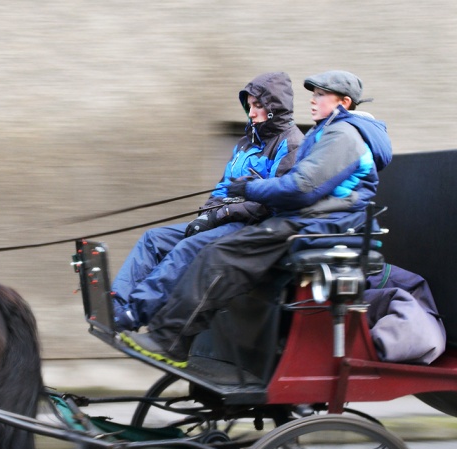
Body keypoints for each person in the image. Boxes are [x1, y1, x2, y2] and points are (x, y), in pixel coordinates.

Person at [124, 70, 393, 367]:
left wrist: (249, 188)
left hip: (329, 225)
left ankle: (170, 341)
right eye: (313, 94)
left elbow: (301, 188)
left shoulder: (344, 135)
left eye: (320, 95)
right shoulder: (330, 131)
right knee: (218, 249)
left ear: (343, 102)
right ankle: (156, 326)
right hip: (314, 220)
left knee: (221, 254)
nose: (313, 101)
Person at [111, 71, 304, 331]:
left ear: (274, 107)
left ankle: (136, 313)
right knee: (153, 239)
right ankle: (115, 306)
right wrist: (206, 214)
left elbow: (272, 201)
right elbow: (224, 186)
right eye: (249, 105)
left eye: (258, 105)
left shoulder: (291, 144)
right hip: (223, 217)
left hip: (252, 227)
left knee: (187, 248)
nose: (251, 112)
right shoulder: (246, 142)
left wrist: (220, 216)